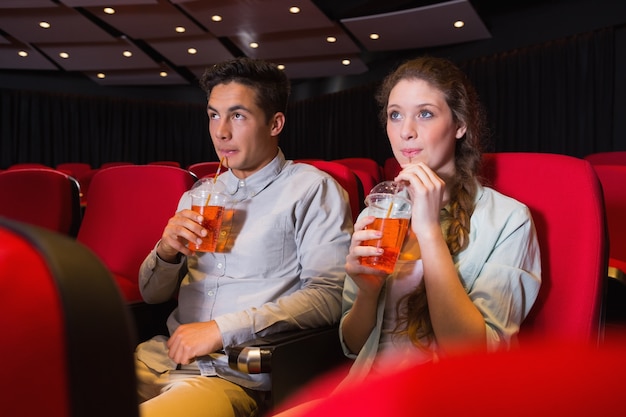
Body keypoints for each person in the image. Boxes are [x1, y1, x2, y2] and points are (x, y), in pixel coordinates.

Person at [272, 56, 541, 416]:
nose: (406, 131)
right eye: (395, 115)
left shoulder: (509, 219)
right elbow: (352, 346)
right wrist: (366, 293)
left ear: (459, 124)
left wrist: (428, 230)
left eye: (425, 114)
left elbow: (470, 356)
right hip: (367, 389)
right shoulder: (378, 213)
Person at [134, 57, 353, 417]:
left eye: (237, 116)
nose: (220, 132)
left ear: (275, 123)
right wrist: (166, 251)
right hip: (163, 355)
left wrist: (221, 329)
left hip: (236, 372)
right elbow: (151, 294)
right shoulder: (197, 195)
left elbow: (330, 297)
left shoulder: (311, 189)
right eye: (213, 115)